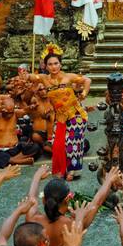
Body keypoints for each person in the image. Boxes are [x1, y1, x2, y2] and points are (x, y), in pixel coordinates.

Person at [34, 44, 91, 180]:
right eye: (50, 64)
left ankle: (73, 171)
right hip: (60, 117)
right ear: (45, 66)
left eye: (56, 63)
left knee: (73, 141)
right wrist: (25, 76)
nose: (54, 67)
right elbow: (31, 78)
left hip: (76, 114)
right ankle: (61, 169)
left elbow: (88, 80)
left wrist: (84, 93)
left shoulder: (69, 77)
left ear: (60, 64)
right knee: (58, 144)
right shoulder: (44, 79)